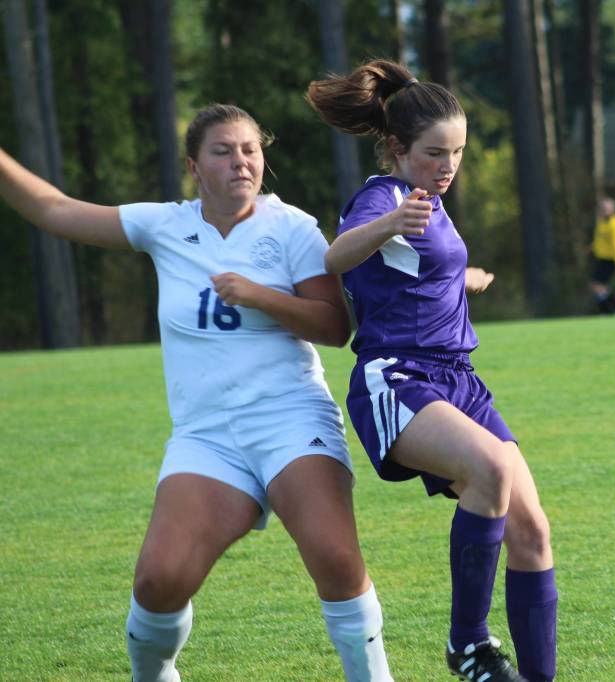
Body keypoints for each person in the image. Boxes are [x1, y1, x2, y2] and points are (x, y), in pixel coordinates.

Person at [0, 104, 393, 682]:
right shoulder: (165, 225)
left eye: (250, 150)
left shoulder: (291, 227)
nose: (240, 162)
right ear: (193, 165)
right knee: (159, 580)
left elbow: (335, 328)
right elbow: (54, 209)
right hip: (207, 437)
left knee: (336, 559)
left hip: (290, 419)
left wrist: (260, 295)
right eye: (223, 151)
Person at [306, 60, 558, 682]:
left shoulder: (433, 200)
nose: (447, 167)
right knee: (492, 469)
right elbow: (337, 254)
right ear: (396, 148)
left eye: (459, 153)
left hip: (458, 379)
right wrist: (388, 223)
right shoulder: (384, 196)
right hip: (398, 378)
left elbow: (419, 271)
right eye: (433, 153)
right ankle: (468, 643)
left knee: (532, 532)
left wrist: (461, 280)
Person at [588, 196, 615, 313]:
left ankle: (611, 308)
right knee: (600, 285)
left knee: (597, 284)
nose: (603, 210)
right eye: (602, 208)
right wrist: (592, 247)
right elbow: (600, 239)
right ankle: (611, 308)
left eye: (606, 208)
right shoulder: (602, 222)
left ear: (613, 209)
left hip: (611, 259)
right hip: (602, 258)